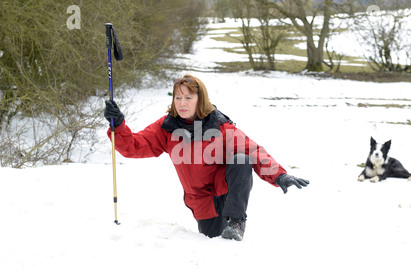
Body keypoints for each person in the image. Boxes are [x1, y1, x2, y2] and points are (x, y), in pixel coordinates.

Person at [104, 74, 309, 241]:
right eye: (178, 98)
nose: (182, 103)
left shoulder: (219, 126)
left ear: (200, 99)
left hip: (228, 193)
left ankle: (237, 222)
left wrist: (279, 176)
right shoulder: (167, 128)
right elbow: (133, 146)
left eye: (188, 98)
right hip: (201, 202)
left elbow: (252, 150)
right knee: (212, 248)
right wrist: (119, 125)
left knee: (242, 159)